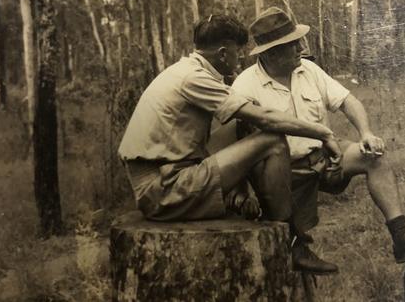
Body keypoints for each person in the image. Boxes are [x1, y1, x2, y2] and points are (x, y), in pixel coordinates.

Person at [118, 15, 343, 272]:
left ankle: (253, 207)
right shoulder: (194, 78)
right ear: (224, 53)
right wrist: (323, 133)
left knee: (249, 128)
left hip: (167, 181)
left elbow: (225, 133)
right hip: (162, 190)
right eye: (239, 51)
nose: (241, 57)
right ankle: (294, 243)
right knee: (271, 140)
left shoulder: (188, 72)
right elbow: (266, 119)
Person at [232, 7, 405, 273]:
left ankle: (402, 238)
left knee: (374, 157)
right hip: (283, 174)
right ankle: (297, 247)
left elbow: (348, 101)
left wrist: (365, 133)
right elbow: (237, 146)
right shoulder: (244, 86)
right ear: (272, 52)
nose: (301, 47)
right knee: (284, 250)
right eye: (293, 44)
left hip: (326, 158)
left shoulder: (308, 69)